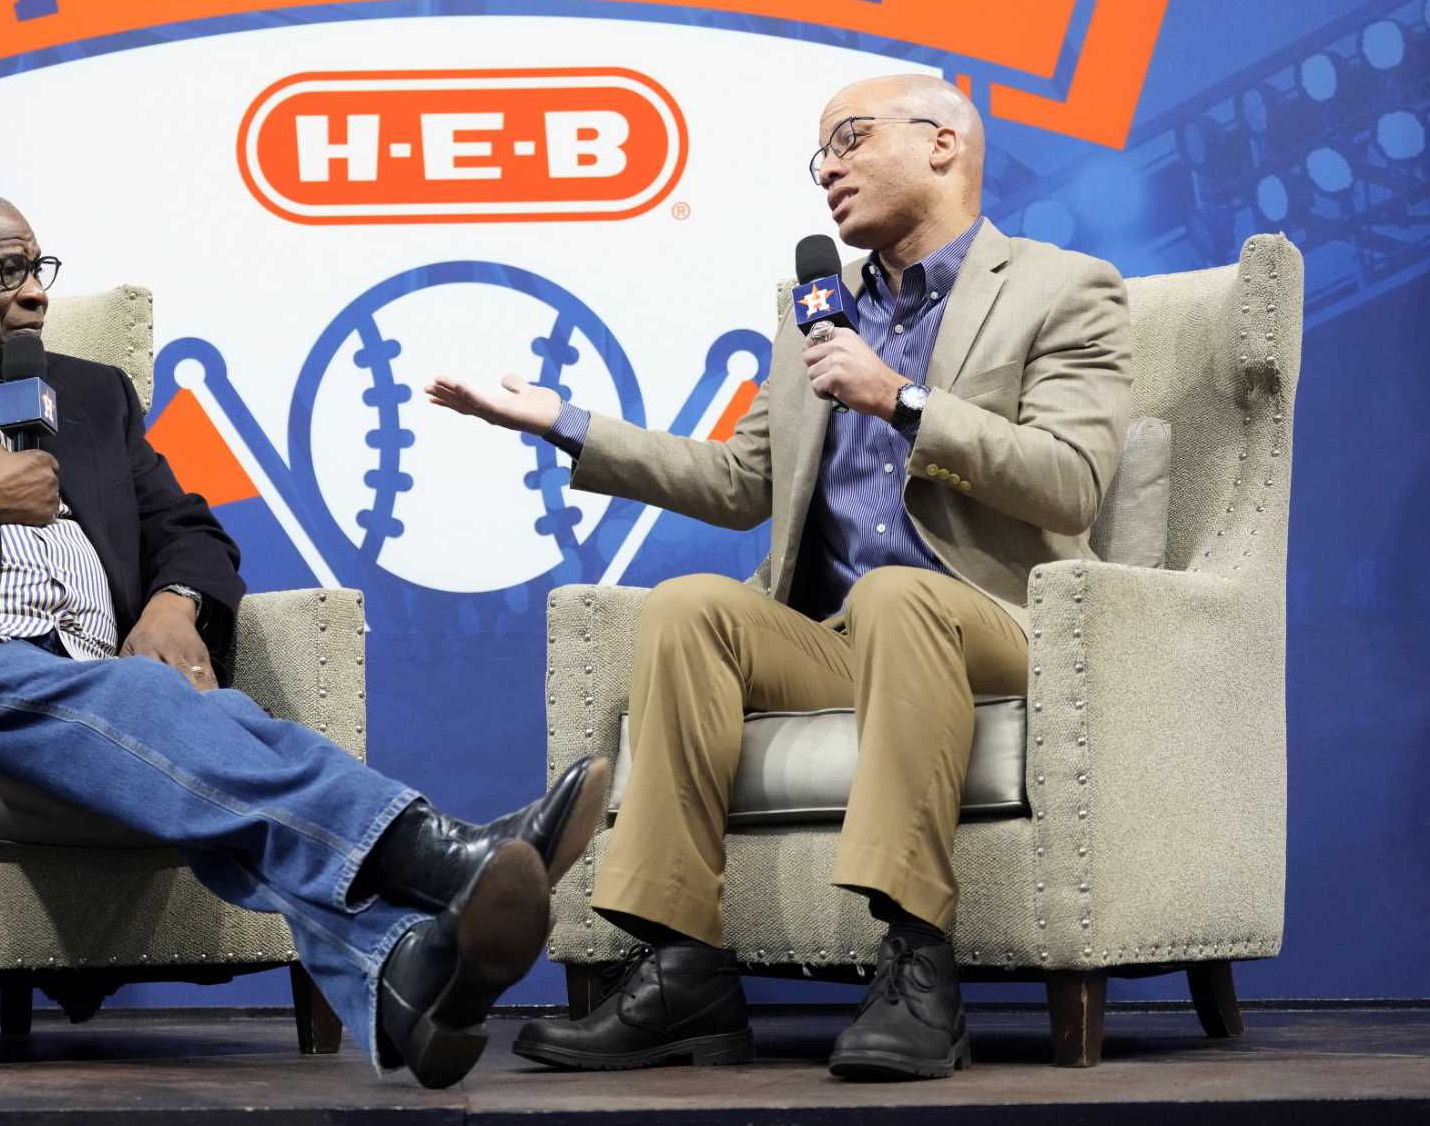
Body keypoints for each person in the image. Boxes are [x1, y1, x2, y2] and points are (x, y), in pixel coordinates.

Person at [0, 189, 609, 1089]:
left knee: (232, 727)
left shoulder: (90, 394)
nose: (35, 295)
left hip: (100, 665)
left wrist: (174, 602)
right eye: (6, 272)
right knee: (162, 706)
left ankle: (399, 972)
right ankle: (442, 852)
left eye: (39, 271)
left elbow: (192, 530)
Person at [427, 75, 1131, 1080]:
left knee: (897, 596)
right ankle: (683, 972)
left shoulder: (1060, 288)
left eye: (849, 140)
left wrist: (900, 399)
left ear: (943, 144)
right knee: (689, 607)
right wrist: (561, 423)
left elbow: (1069, 481)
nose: (828, 170)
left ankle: (918, 966)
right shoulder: (816, 313)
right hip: (845, 643)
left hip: (988, 627)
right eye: (819, 156)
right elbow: (737, 481)